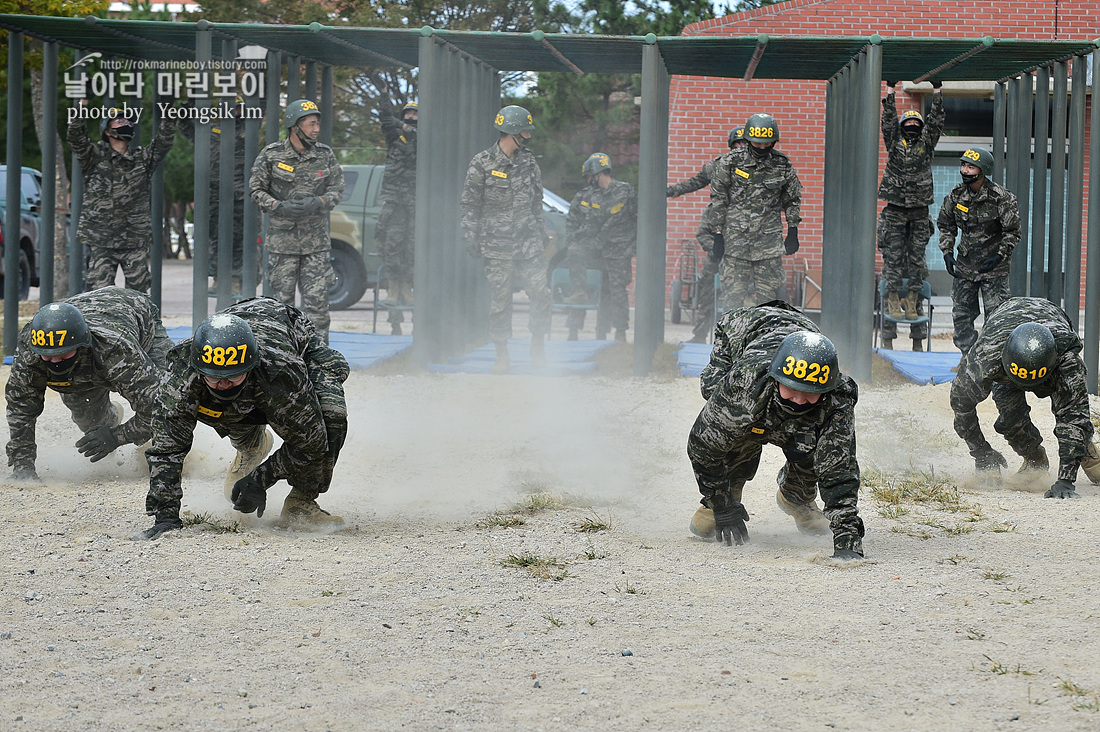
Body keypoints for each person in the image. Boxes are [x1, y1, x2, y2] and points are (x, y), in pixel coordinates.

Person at [138, 297, 350, 540]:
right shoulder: (181, 377)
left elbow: (311, 442)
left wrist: (260, 480)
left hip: (289, 331)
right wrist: (166, 516)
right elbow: (166, 450)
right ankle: (251, 445)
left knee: (332, 416)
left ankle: (301, 503)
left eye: (233, 376)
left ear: (250, 367)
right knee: (217, 403)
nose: (224, 383)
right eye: (215, 377)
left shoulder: (281, 371)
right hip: (239, 321)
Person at [686, 301, 865, 561]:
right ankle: (726, 493)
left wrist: (847, 536)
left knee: (813, 437)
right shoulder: (744, 383)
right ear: (775, 378)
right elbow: (703, 447)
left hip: (800, 331)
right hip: (742, 329)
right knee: (733, 421)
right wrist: (723, 505)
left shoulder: (837, 396)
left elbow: (839, 467)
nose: (799, 399)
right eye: (792, 389)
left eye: (810, 393)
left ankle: (796, 496)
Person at [6, 287, 172, 479]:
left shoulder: (115, 350)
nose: (55, 361)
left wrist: (116, 437)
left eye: (62, 354)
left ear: (81, 345)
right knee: (92, 424)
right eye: (48, 356)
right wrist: (22, 465)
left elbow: (162, 410)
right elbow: (20, 408)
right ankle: (113, 415)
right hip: (85, 317)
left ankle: (170, 455)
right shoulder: (31, 349)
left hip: (136, 316)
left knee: (170, 398)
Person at [949, 297, 1100, 497]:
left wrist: (1066, 479)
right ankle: (1034, 461)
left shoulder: (1066, 359)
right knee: (1011, 418)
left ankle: (1086, 450)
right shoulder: (985, 357)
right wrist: (981, 452)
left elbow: (1074, 415)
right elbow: (961, 406)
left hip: (1051, 328)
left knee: (1072, 412)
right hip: (1004, 335)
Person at [460, 105, 551, 373]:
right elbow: (469, 204)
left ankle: (538, 345)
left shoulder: (529, 162)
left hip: (528, 242)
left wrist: (541, 232)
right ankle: (502, 355)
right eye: (524, 130)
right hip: (496, 244)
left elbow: (537, 202)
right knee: (500, 301)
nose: (528, 135)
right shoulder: (482, 163)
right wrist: (470, 234)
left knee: (541, 293)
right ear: (511, 131)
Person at [249, 99, 345, 344]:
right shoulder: (271, 155)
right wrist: (278, 206)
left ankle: (319, 358)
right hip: (283, 245)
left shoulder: (325, 155)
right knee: (281, 308)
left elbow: (338, 189)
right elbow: (255, 190)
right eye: (311, 124)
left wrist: (320, 202)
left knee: (318, 307)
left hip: (316, 244)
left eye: (317, 124)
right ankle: (282, 356)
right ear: (295, 126)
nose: (316, 129)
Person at [67, 101, 177, 292]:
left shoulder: (142, 159)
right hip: (101, 240)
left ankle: (139, 323)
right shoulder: (94, 157)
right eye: (119, 121)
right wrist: (82, 105)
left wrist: (168, 111)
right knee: (100, 296)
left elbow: (164, 141)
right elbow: (75, 137)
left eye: (128, 120)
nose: (126, 123)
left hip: (134, 240)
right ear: (108, 131)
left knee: (138, 296)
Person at [699, 113, 802, 310]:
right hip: (736, 242)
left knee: (768, 302)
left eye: (767, 144)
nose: (762, 148)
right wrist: (717, 235)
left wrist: (793, 231)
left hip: (768, 243)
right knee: (733, 299)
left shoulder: (782, 164)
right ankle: (731, 340)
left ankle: (764, 339)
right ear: (747, 140)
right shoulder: (729, 163)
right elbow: (719, 200)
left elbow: (792, 199)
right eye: (757, 144)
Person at [877, 80, 945, 351]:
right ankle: (893, 303)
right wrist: (890, 92)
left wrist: (938, 93)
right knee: (892, 258)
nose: (913, 127)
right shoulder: (894, 142)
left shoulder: (926, 144)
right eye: (910, 123)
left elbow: (936, 122)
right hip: (894, 207)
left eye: (917, 124)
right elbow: (888, 121)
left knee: (917, 260)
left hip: (918, 209)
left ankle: (916, 323)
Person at [937, 147, 1020, 354]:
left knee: (996, 318)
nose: (965, 171)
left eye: (971, 167)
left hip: (994, 269)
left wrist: (1000, 255)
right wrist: (947, 252)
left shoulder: (1002, 198)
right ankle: (968, 359)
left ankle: (991, 361)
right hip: (965, 267)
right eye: (963, 165)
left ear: (983, 171)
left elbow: (1013, 232)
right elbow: (945, 224)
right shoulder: (955, 195)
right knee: (961, 316)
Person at [667, 127, 745, 343]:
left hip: (744, 247)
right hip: (718, 251)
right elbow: (696, 181)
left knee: (742, 293)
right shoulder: (718, 167)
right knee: (706, 285)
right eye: (737, 144)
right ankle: (700, 334)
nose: (741, 148)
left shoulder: (759, 170)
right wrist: (673, 190)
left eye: (744, 144)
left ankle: (736, 338)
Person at [562, 153, 637, 342]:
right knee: (580, 287)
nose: (588, 181)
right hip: (594, 252)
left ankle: (617, 333)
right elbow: (578, 225)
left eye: (589, 176)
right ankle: (573, 330)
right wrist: (575, 241)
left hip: (618, 253)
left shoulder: (626, 192)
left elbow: (638, 220)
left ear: (596, 173)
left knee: (615, 292)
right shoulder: (587, 196)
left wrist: (633, 246)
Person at [179, 97, 248, 291]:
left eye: (239, 109)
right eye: (233, 109)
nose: (237, 113)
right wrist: (192, 98)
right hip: (214, 196)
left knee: (240, 239)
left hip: (240, 197)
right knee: (215, 239)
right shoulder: (209, 131)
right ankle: (218, 277)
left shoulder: (247, 130)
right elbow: (183, 123)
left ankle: (236, 279)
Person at [376, 93, 418, 336]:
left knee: (413, 252)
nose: (410, 117)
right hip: (395, 204)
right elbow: (385, 121)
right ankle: (394, 320)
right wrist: (383, 98)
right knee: (392, 249)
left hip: (414, 203)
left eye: (414, 114)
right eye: (407, 113)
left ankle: (408, 291)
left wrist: (403, 126)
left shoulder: (421, 136)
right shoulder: (396, 136)